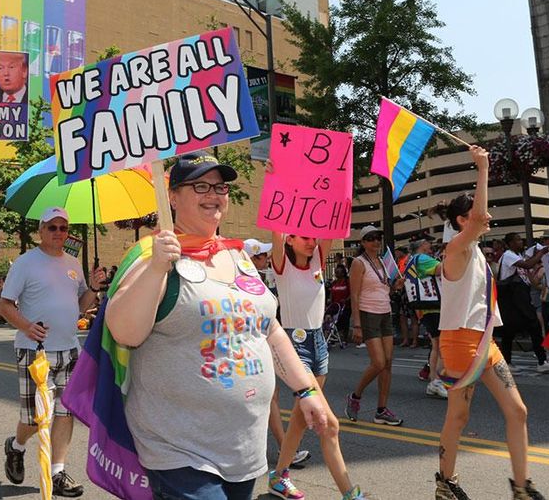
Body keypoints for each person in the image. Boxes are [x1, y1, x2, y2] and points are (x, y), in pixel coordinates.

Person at [104, 151, 337, 500]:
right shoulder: (152, 257)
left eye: (221, 187)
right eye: (200, 186)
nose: (213, 195)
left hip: (243, 451)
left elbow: (269, 329)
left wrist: (306, 391)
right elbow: (125, 332)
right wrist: (156, 268)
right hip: (179, 452)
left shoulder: (237, 255)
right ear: (172, 195)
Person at [433, 145, 545, 500]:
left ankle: (521, 486)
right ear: (462, 220)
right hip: (459, 342)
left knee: (517, 411)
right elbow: (481, 219)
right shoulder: (457, 248)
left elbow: (481, 220)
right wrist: (483, 169)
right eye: (478, 213)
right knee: (458, 416)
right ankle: (445, 482)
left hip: (484, 341)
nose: (488, 216)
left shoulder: (474, 250)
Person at [0, 206, 102, 497]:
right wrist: (27, 326)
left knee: (64, 411)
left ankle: (57, 471)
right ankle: (16, 446)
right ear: (41, 231)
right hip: (35, 351)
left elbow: (81, 305)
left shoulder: (72, 262)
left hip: (69, 349)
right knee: (34, 417)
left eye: (63, 228)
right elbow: (5, 305)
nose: (59, 232)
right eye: (52, 227)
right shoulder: (25, 262)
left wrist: (93, 287)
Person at [268, 213, 363, 496]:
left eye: (314, 236)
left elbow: (334, 220)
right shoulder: (281, 263)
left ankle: (278, 477)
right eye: (305, 237)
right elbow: (275, 224)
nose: (312, 242)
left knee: (300, 418)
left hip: (318, 344)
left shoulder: (319, 259)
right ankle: (351, 493)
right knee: (328, 424)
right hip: (293, 347)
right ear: (289, 239)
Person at [244, 237, 311, 470]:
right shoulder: (244, 283)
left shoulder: (259, 280)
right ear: (250, 259)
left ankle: (281, 447)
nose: (266, 259)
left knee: (270, 396)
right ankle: (283, 448)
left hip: (266, 345)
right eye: (261, 256)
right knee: (267, 397)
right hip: (253, 348)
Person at [346, 225, 403, 426]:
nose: (376, 241)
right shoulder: (358, 263)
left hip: (385, 312)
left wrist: (395, 286)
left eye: (378, 237)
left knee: (388, 363)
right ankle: (355, 395)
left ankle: (381, 410)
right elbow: (354, 295)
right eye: (371, 238)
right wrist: (357, 325)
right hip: (368, 314)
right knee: (378, 362)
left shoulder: (384, 262)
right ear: (363, 243)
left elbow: (385, 288)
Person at [497, 233, 549, 373]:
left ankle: (536, 361)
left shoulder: (518, 256)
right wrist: (540, 253)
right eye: (517, 240)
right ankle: (540, 361)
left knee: (515, 330)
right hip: (512, 299)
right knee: (527, 327)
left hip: (520, 297)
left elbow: (530, 278)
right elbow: (528, 264)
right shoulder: (508, 255)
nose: (521, 242)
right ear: (510, 243)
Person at [406, 238, 447, 399]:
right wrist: (449, 253)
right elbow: (442, 269)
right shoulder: (422, 259)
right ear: (422, 246)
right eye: (428, 244)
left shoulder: (414, 260)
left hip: (428, 308)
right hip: (433, 307)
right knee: (441, 345)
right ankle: (437, 381)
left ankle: (435, 381)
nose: (431, 247)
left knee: (437, 344)